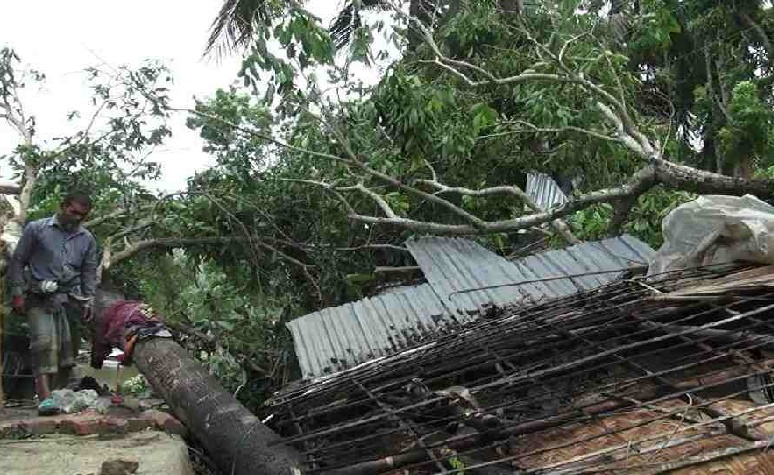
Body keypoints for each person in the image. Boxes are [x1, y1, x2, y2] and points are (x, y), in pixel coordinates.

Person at [7, 192, 98, 415]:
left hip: (70, 299)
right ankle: (45, 397)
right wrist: (17, 293)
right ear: (63, 206)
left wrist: (89, 300)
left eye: (83, 215)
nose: (77, 218)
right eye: (73, 212)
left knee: (69, 350)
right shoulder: (37, 229)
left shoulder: (86, 238)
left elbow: (88, 272)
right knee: (43, 342)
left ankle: (57, 395)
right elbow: (18, 261)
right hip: (38, 295)